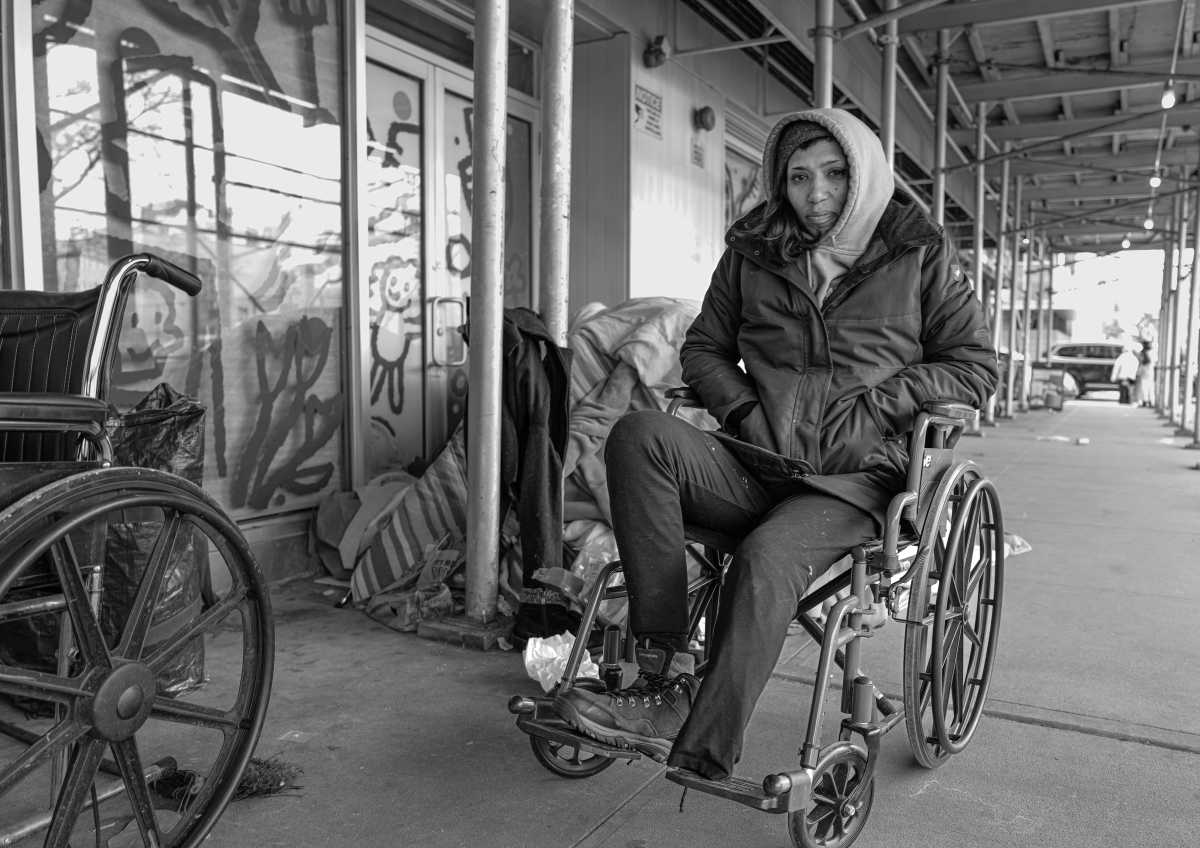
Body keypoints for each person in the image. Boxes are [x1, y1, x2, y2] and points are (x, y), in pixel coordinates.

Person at [552, 107, 999, 781]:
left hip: (855, 481)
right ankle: (664, 672)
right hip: (757, 461)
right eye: (797, 177)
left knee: (766, 555)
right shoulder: (754, 252)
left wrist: (881, 405)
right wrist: (740, 410)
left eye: (834, 173)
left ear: (866, 174)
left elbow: (974, 364)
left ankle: (704, 741)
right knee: (638, 435)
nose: (815, 194)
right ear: (779, 183)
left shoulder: (918, 253)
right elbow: (703, 348)